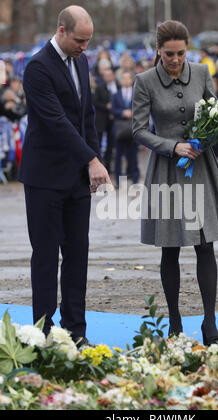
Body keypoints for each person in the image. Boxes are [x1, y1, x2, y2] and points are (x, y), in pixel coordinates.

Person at [132, 20, 218, 346]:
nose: (175, 60)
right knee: (170, 248)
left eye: (181, 53)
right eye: (169, 54)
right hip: (166, 171)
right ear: (158, 51)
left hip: (201, 169)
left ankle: (210, 324)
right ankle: (175, 324)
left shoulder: (204, 73)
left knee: (205, 244)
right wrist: (171, 145)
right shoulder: (144, 81)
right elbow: (139, 130)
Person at [18, 6, 111, 346]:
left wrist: (95, 160)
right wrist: (90, 159)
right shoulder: (37, 67)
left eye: (88, 40)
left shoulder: (81, 61)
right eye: (79, 40)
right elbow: (56, 121)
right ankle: (41, 334)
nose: (84, 47)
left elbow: (86, 117)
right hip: (44, 178)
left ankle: (76, 331)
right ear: (61, 31)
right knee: (45, 256)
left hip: (76, 178)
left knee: (78, 254)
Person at [112, 70, 139, 188]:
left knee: (133, 154)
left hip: (133, 128)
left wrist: (133, 112)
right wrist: (123, 112)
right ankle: (118, 181)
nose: (125, 80)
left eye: (128, 78)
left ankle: (135, 179)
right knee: (118, 155)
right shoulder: (116, 95)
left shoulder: (137, 94)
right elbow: (113, 110)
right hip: (120, 129)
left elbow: (142, 108)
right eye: (123, 78)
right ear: (120, 80)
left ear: (132, 80)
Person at [93, 68, 120, 173]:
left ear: (113, 76)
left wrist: (114, 109)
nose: (108, 77)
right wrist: (106, 106)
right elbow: (95, 102)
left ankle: (108, 167)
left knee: (111, 144)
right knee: (98, 143)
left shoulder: (118, 86)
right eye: (106, 76)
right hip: (101, 120)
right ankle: (99, 165)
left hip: (114, 120)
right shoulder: (100, 87)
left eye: (110, 75)